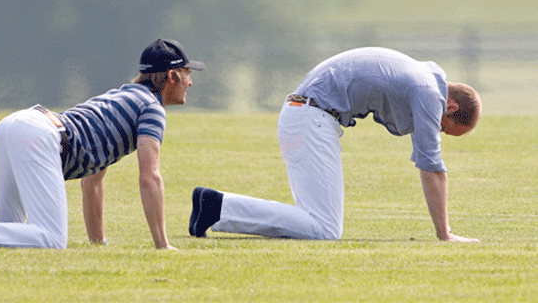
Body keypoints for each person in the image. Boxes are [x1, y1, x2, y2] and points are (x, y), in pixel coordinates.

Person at [0, 38, 204, 250]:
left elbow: (93, 182)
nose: (190, 82)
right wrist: (162, 244)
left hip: (16, 125)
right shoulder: (151, 108)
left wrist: (97, 243)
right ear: (171, 76)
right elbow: (149, 177)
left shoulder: (122, 95)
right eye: (188, 74)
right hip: (39, 137)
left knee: (4, 234)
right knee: (50, 239)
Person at [189, 47, 481, 243]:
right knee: (325, 229)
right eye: (444, 127)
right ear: (452, 107)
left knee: (318, 223)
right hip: (311, 119)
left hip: (304, 114)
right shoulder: (429, 92)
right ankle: (217, 206)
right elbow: (431, 166)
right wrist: (445, 235)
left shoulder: (423, 79)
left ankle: (216, 207)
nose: (435, 130)